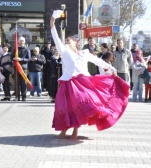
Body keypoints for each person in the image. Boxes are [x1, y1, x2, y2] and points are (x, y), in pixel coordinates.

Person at [50, 10, 130, 139]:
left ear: (74, 42)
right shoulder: (64, 52)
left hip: (83, 82)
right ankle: (64, 129)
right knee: (64, 106)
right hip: (68, 82)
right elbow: (55, 36)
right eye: (65, 41)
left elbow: (97, 61)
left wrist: (110, 68)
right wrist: (53, 21)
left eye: (68, 41)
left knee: (80, 105)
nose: (65, 42)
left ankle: (75, 130)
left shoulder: (84, 53)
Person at [12, 36, 31, 101]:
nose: (21, 42)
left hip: (23, 68)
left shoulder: (27, 49)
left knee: (23, 83)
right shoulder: (15, 49)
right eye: (20, 41)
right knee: (16, 82)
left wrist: (20, 59)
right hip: (16, 68)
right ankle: (17, 96)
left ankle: (24, 97)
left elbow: (28, 59)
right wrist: (14, 58)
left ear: (24, 42)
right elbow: (12, 57)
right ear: (18, 42)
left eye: (22, 41)